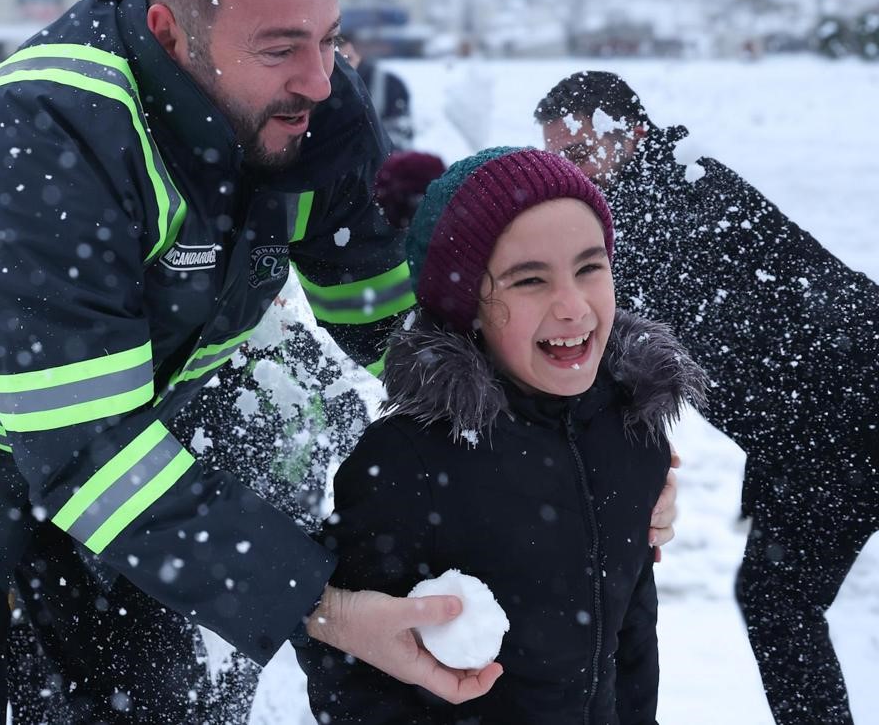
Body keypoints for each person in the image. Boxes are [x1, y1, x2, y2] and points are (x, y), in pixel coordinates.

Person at [0, 0, 499, 724]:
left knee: (141, 696)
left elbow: (384, 315)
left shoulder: (310, 110)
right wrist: (330, 609)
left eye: (329, 37)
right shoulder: (46, 135)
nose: (320, 77)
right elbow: (89, 447)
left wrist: (547, 433)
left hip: (116, 416)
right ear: (170, 31)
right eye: (280, 47)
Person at [296, 146, 704, 723]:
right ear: (468, 309)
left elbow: (633, 627)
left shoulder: (634, 429)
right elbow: (348, 664)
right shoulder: (408, 461)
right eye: (530, 280)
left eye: (590, 267)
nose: (572, 306)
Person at [535, 70, 879, 725]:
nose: (568, 175)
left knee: (779, 600)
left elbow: (613, 345)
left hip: (846, 412)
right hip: (810, 433)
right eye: (555, 160)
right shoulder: (680, 179)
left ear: (629, 135)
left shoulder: (653, 207)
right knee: (777, 598)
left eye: (579, 156)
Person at [337, 30, 414, 148]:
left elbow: (400, 137)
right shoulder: (318, 88)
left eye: (347, 59)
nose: (341, 66)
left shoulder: (390, 85)